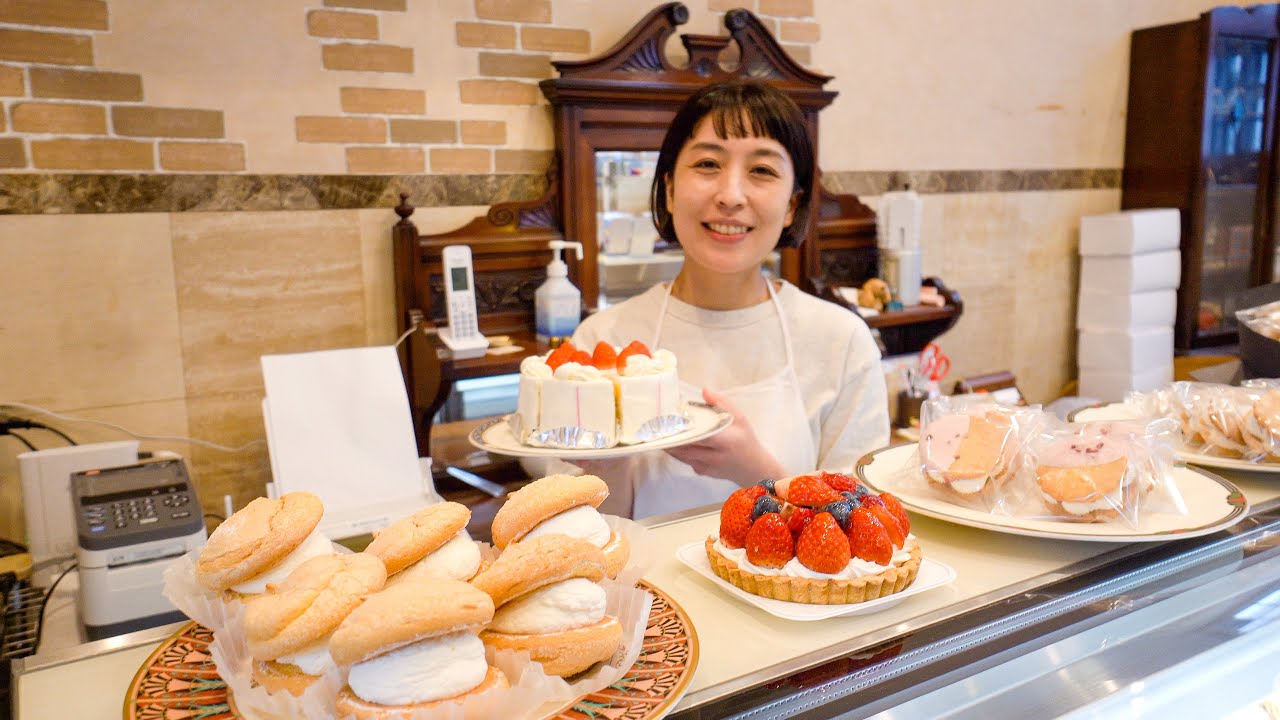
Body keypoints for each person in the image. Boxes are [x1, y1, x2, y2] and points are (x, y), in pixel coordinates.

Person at [571, 79, 889, 519]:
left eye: (762, 171)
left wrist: (755, 471)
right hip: (641, 588)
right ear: (668, 189)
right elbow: (589, 538)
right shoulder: (602, 341)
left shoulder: (841, 341)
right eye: (707, 164)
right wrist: (608, 462)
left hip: (785, 591)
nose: (730, 196)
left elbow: (862, 529)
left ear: (793, 205)